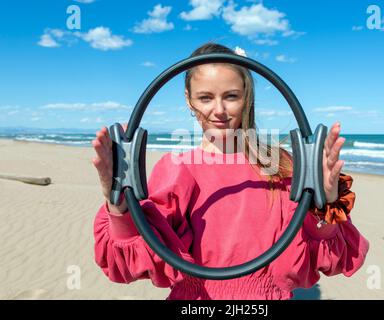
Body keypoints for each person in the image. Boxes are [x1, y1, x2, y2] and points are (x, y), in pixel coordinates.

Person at [91, 42, 369, 300]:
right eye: (205, 97)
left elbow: (328, 257)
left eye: (231, 96)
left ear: (246, 97)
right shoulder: (176, 168)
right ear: (189, 100)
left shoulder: (281, 166)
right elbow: (136, 259)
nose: (219, 110)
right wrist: (119, 205)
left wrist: (326, 203)